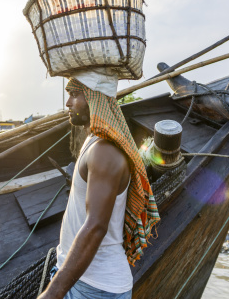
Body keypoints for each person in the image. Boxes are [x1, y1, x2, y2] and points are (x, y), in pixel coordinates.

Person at [38, 70, 160, 299]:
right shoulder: (94, 142)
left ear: (95, 98)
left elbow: (95, 227)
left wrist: (51, 294)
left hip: (93, 289)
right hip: (81, 279)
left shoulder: (105, 152)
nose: (68, 103)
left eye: (75, 94)